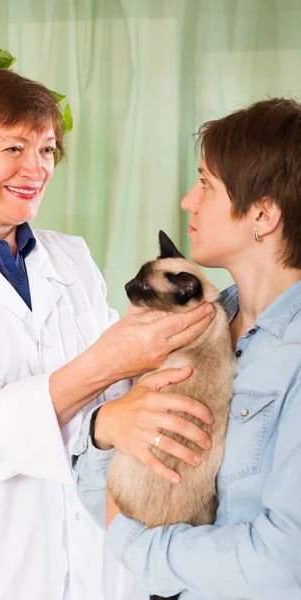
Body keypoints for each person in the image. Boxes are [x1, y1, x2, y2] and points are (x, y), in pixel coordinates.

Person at [0, 68, 216, 600]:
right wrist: (108, 366)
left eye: (47, 150)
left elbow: (115, 410)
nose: (36, 168)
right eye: (14, 148)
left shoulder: (70, 257)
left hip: (85, 559)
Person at [72, 98, 301, 600]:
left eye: (205, 185)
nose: (186, 201)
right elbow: (101, 499)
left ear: (262, 213)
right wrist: (103, 428)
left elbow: (284, 567)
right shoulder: (187, 329)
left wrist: (134, 544)